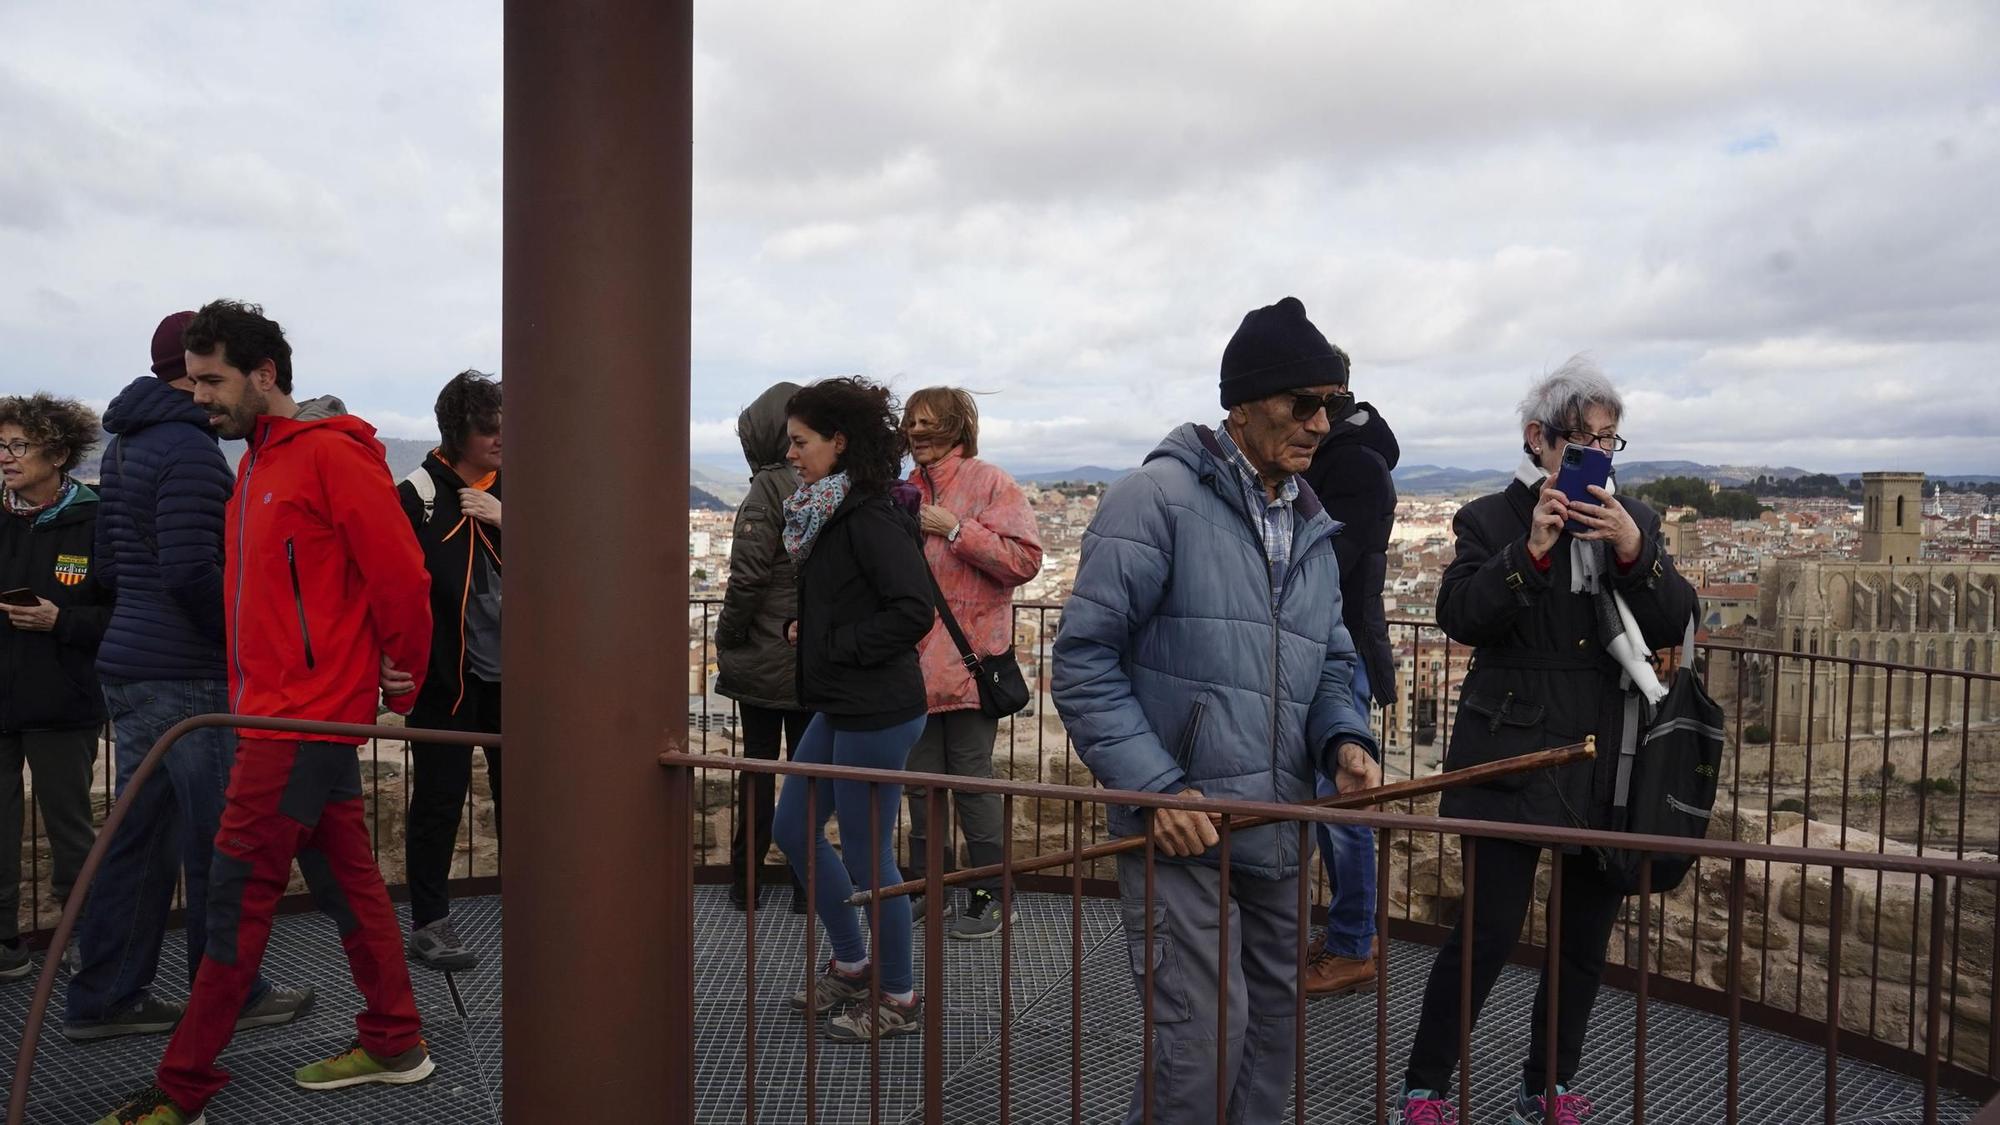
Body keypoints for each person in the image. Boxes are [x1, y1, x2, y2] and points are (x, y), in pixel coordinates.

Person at [96, 300, 435, 1125]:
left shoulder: (327, 458)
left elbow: (403, 580)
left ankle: (181, 1089)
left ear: (265, 374)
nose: (200, 396)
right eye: (193, 379)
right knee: (350, 881)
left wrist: (401, 685)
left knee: (234, 894)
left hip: (299, 721)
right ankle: (394, 1038)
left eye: (212, 380)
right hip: (280, 716)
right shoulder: (256, 462)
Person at [1053, 296, 1381, 1123]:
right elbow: (1084, 662)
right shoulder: (1153, 500)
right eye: (1300, 403)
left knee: (1273, 1037)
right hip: (1183, 826)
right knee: (1201, 1045)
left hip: (1276, 818)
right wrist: (1159, 788)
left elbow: (1333, 661)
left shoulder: (1308, 524)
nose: (1318, 423)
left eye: (1330, 406)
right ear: (1241, 403)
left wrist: (1342, 736)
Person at [1392, 357, 1695, 1125]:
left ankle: (1548, 1081)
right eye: (1583, 439)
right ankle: (1425, 1086)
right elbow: (1460, 613)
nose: (1597, 455)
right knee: (1487, 932)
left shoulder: (1638, 522)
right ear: (1539, 440)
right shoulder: (1489, 521)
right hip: (1516, 756)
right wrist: (1527, 553)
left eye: (1609, 441)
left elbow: (1675, 621)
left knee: (1581, 938)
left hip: (1609, 761)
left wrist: (1636, 551)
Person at [65, 313, 314, 1040]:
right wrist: (242, 641)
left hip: (129, 663)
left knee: (136, 837)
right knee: (220, 839)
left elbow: (113, 568)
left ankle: (106, 993)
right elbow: (192, 572)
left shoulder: (123, 448)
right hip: (189, 671)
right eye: (205, 374)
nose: (213, 393)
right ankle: (230, 991)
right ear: (190, 370)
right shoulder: (193, 453)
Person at [769, 376, 933, 1044]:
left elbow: (912, 610)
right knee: (794, 826)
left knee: (871, 861)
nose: (792, 453)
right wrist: (816, 629)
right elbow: (856, 598)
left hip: (878, 708)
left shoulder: (864, 515)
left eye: (802, 441)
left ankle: (897, 993)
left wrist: (834, 640)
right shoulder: (828, 511)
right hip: (842, 699)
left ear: (838, 442)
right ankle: (852, 959)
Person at [899, 386, 1042, 940]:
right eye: (912, 423)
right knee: (919, 784)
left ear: (957, 427)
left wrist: (955, 530)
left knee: (972, 784)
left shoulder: (989, 482)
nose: (919, 433)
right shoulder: (902, 490)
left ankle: (988, 894)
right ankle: (924, 886)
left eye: (930, 423)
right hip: (912, 669)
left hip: (969, 664)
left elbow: (1025, 560)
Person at [1297, 365, 1400, 996]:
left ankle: (1353, 943)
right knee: (1330, 797)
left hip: (1340, 647)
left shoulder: (1355, 466)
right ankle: (1348, 933)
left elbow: (1327, 565)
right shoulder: (1341, 459)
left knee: (1341, 801)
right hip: (1328, 641)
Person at [0, 394, 110, 983]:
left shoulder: (98, 518)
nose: (7, 458)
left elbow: (122, 612)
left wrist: (60, 621)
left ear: (59, 453)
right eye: (1, 446)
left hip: (64, 702)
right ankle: (3, 943)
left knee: (70, 829)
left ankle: (82, 937)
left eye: (19, 445)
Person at [398, 369, 504, 970]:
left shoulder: (516, 490)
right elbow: (388, 584)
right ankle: (430, 920)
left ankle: (532, 900)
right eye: (487, 424)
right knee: (438, 800)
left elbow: (563, 564)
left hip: (513, 680)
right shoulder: (416, 497)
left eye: (503, 422)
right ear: (456, 431)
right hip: (446, 679)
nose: (499, 435)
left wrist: (504, 519)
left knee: (520, 797)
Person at [714, 381, 809, 914]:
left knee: (757, 771)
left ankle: (746, 884)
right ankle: (804, 885)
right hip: (808, 657)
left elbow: (747, 578)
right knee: (807, 775)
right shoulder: (821, 485)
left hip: (763, 656)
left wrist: (730, 635)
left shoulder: (766, 489)